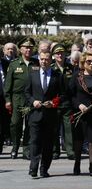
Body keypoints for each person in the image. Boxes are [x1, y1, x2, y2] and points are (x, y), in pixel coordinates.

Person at [25, 50, 64, 178]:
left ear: (51, 60)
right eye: (42, 59)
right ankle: (33, 167)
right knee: (35, 141)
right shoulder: (32, 74)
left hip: (50, 115)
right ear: (39, 60)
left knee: (48, 143)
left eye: (46, 59)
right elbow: (26, 93)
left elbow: (63, 94)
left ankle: (44, 169)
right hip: (35, 114)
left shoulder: (57, 75)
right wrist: (33, 101)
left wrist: (53, 103)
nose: (44, 61)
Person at [68, 51, 92, 176]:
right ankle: (77, 163)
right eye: (88, 61)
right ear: (83, 63)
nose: (91, 63)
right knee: (78, 139)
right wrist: (79, 105)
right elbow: (71, 95)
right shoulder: (76, 76)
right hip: (79, 112)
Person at [4, 37, 39, 159]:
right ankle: (15, 147)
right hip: (17, 98)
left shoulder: (36, 64)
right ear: (21, 49)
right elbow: (8, 84)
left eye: (30, 47)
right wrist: (8, 100)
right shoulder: (14, 64)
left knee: (30, 124)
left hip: (32, 99)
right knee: (15, 124)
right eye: (26, 47)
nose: (28, 49)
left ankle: (27, 149)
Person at [51, 45, 75, 160]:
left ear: (65, 54)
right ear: (54, 55)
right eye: (57, 53)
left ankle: (70, 151)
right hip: (55, 102)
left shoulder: (71, 68)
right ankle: (55, 151)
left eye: (62, 53)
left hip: (68, 102)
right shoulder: (51, 68)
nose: (60, 55)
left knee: (69, 127)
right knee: (54, 128)